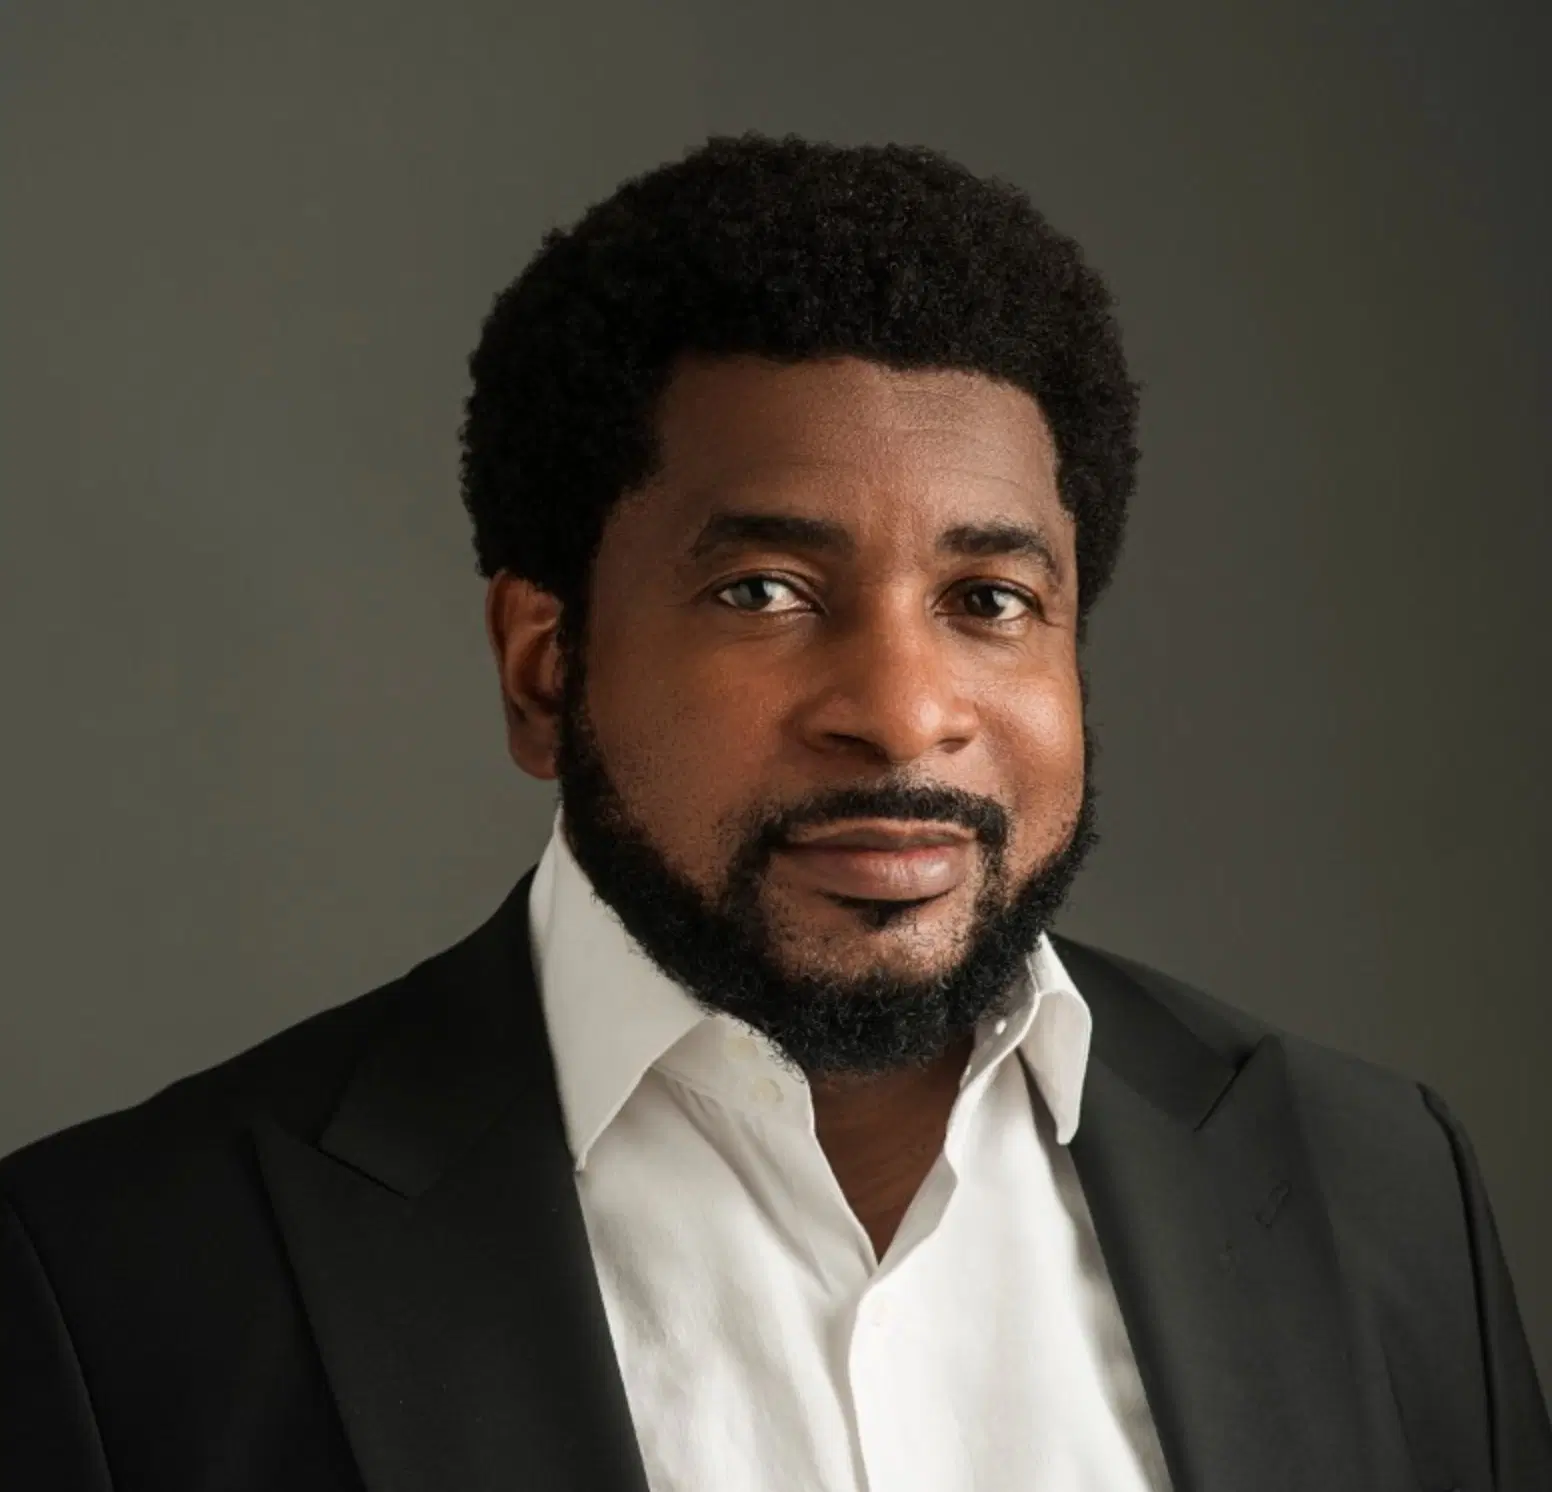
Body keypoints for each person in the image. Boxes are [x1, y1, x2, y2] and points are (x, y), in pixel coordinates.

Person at [1, 132, 1546, 1492]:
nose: (904, 710)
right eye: (764, 590)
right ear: (545, 667)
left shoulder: (1375, 1185)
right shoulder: (118, 1288)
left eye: (989, 599)